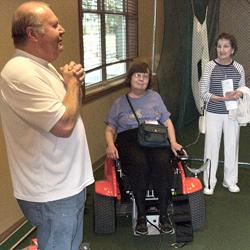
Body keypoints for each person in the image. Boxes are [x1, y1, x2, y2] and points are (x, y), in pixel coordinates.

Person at [0, 2, 94, 250]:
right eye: (54, 25)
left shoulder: (42, 66)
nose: (62, 29)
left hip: (66, 185)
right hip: (52, 192)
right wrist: (72, 84)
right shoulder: (21, 73)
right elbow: (64, 125)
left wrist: (74, 85)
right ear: (32, 33)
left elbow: (70, 110)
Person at [105, 62, 182, 235]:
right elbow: (110, 129)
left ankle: (163, 215)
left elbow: (167, 122)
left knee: (163, 162)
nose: (141, 79)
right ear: (130, 78)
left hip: (153, 137)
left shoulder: (155, 97)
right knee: (138, 164)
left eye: (145, 76)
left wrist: (173, 142)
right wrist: (110, 144)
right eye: (138, 75)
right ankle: (141, 216)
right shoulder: (119, 103)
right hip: (129, 139)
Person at [200, 32, 245, 195]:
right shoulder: (210, 66)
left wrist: (238, 94)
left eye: (226, 46)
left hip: (232, 114)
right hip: (213, 113)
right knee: (211, 147)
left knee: (232, 146)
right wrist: (220, 98)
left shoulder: (239, 67)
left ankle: (230, 181)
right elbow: (203, 92)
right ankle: (209, 183)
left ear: (232, 50)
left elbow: (242, 90)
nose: (222, 49)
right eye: (219, 46)